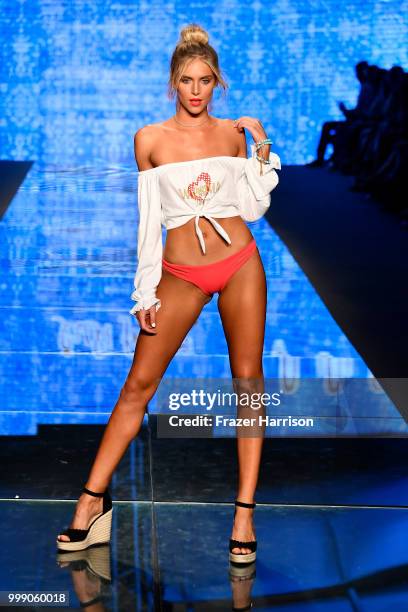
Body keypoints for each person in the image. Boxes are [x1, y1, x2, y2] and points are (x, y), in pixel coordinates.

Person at [56, 23, 281, 565]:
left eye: (205, 80)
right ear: (172, 83)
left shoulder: (232, 134)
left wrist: (261, 149)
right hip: (181, 271)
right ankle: (91, 503)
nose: (196, 90)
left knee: (248, 384)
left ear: (217, 82)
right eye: (187, 80)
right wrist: (144, 291)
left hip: (240, 262)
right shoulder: (149, 140)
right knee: (139, 383)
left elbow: (252, 208)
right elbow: (148, 222)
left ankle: (245, 512)